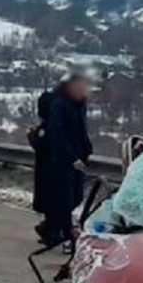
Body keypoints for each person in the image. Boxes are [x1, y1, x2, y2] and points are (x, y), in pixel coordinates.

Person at [42, 75, 93, 246]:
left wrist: (86, 151)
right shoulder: (59, 105)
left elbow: (81, 130)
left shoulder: (79, 105)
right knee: (65, 198)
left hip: (78, 157)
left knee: (76, 197)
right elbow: (58, 135)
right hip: (61, 159)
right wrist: (70, 157)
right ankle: (66, 233)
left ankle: (50, 226)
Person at [29, 87, 56, 241]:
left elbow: (41, 145)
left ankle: (52, 231)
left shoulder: (47, 127)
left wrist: (32, 136)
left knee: (49, 200)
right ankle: (52, 228)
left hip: (48, 168)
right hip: (58, 167)